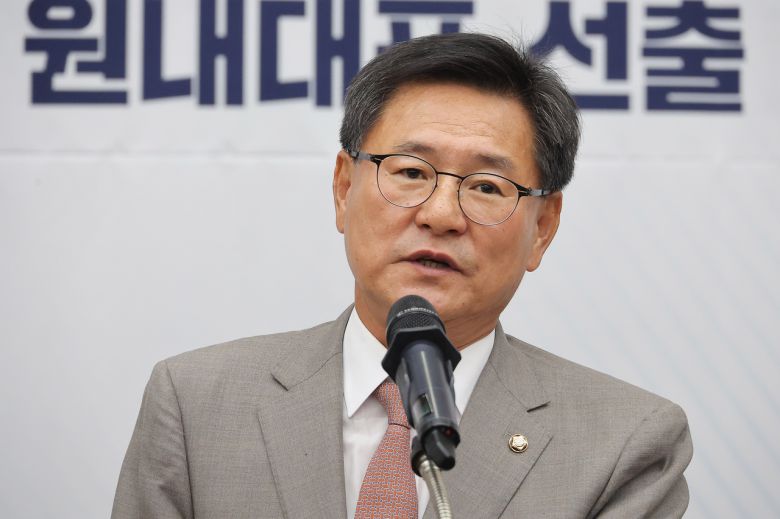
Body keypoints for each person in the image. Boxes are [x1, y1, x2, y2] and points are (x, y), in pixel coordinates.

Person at [111, 32, 692, 519]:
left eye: (487, 186)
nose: (440, 215)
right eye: (411, 172)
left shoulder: (624, 442)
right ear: (344, 189)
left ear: (542, 227)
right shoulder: (197, 403)